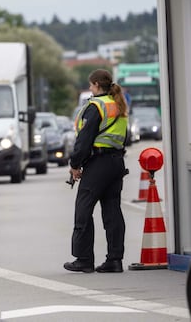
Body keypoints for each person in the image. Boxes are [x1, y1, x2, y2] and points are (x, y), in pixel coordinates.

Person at [64, 69, 129, 274]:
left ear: (96, 85)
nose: (90, 89)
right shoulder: (118, 105)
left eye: (91, 85)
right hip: (116, 162)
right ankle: (114, 259)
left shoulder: (96, 106)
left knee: (83, 209)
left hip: (98, 162)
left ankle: (84, 259)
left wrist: (75, 165)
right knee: (112, 212)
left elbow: (84, 141)